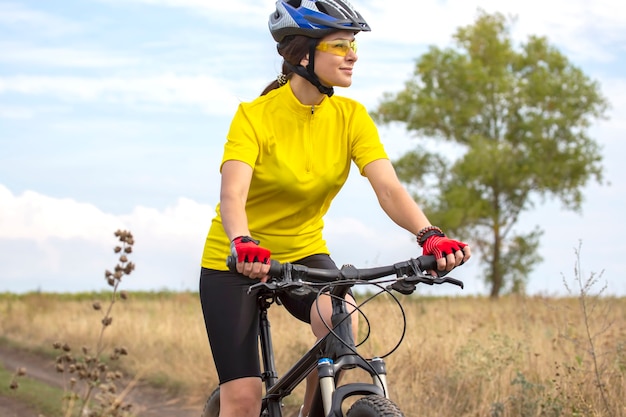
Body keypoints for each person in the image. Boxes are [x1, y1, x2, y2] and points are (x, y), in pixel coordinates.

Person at [199, 1, 471, 416]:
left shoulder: (351, 116)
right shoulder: (253, 117)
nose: (353, 54)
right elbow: (232, 194)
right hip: (237, 260)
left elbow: (388, 188)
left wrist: (429, 235)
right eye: (340, 44)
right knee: (243, 398)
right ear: (302, 53)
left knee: (339, 322)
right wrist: (241, 241)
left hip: (304, 251)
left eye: (354, 44)